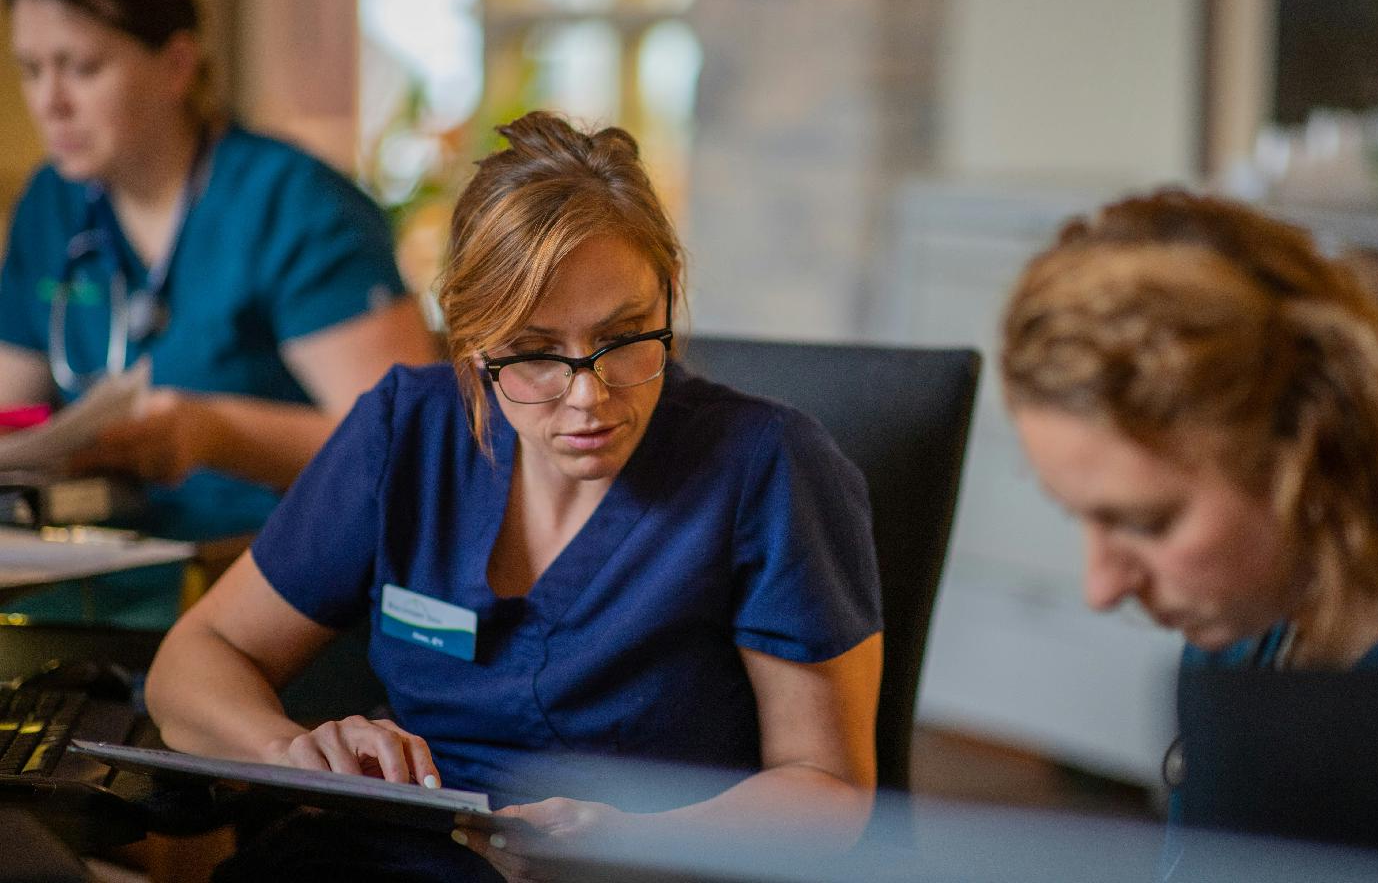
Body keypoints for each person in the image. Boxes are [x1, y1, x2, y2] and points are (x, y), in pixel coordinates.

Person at [144, 111, 884, 881]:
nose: (588, 397)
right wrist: (291, 752)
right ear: (470, 342)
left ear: (669, 296)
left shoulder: (769, 469)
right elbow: (195, 660)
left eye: (626, 334)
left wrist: (629, 838)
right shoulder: (408, 430)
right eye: (534, 354)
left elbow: (828, 790)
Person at [0, 0, 437, 626]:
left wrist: (212, 432)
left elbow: (411, 448)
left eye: (81, 68)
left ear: (176, 66)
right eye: (30, 69)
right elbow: (13, 416)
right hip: (87, 581)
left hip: (278, 594)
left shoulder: (293, 205)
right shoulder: (53, 205)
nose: (50, 102)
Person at [1001, 189, 1378, 673]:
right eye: (1077, 516)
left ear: (1316, 445)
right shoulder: (1242, 636)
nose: (1101, 589)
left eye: (1147, 523)